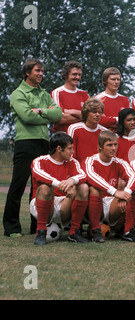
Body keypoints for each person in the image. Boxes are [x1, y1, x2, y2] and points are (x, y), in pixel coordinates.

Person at [3, 58, 62, 237]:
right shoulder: (18, 93)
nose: (41, 74)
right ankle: (11, 228)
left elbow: (58, 113)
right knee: (18, 185)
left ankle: (37, 226)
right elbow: (27, 117)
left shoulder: (44, 93)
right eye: (37, 71)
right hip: (26, 142)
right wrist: (45, 114)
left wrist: (40, 111)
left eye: (42, 71)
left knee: (40, 186)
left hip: (44, 143)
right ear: (27, 72)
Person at [31, 132, 89, 245]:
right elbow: (38, 174)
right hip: (44, 203)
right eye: (69, 148)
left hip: (65, 203)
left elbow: (83, 175)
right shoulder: (40, 161)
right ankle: (41, 232)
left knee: (83, 187)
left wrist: (71, 181)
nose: (73, 152)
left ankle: (74, 232)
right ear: (59, 148)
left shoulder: (72, 162)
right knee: (45, 188)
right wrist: (60, 185)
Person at [84, 131, 135, 242]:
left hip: (113, 205)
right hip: (96, 204)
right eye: (109, 145)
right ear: (100, 147)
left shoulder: (120, 162)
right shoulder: (90, 161)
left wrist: (125, 194)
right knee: (94, 189)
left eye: (115, 145)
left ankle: (128, 231)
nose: (113, 148)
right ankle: (96, 230)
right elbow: (92, 178)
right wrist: (115, 192)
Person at [51, 61, 89, 133]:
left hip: (81, 135)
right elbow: (59, 118)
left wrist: (71, 112)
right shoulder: (57, 93)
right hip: (63, 136)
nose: (77, 77)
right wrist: (84, 116)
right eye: (74, 74)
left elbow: (92, 117)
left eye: (79, 75)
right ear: (65, 75)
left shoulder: (85, 94)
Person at [67, 98, 107, 164]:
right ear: (86, 113)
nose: (97, 115)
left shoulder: (104, 132)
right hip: (79, 169)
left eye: (99, 112)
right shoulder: (74, 129)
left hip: (97, 170)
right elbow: (70, 154)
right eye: (94, 112)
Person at [94, 67, 131, 132]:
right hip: (103, 136)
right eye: (113, 79)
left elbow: (128, 121)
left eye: (118, 79)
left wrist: (109, 121)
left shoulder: (124, 99)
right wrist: (117, 120)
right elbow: (100, 120)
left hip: (121, 136)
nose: (116, 82)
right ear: (105, 81)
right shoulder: (98, 99)